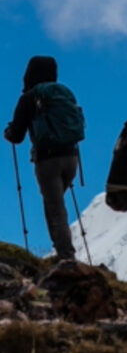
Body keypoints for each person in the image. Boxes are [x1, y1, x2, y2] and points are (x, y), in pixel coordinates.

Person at [4, 56, 83, 260]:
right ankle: (63, 252)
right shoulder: (64, 93)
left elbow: (17, 136)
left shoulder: (30, 97)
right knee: (55, 205)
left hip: (47, 160)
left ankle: (66, 257)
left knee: (55, 207)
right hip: (72, 158)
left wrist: (8, 132)